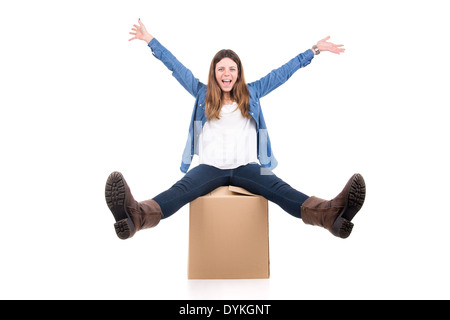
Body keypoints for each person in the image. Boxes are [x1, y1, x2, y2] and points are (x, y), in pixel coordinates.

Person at [105, 19, 366, 241]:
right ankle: (134, 217)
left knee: (282, 191)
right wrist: (150, 39)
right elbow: (176, 66)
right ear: (214, 73)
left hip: (248, 166)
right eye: (221, 69)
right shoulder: (201, 94)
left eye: (232, 69)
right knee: (179, 192)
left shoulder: (253, 92)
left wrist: (314, 51)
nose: (226, 74)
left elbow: (283, 72)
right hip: (210, 168)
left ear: (238, 72)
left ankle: (331, 215)